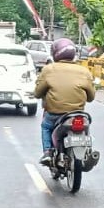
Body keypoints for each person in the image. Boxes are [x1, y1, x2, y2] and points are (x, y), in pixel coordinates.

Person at [33, 37, 95, 165]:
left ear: (55, 53)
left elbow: (38, 93)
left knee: (46, 127)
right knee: (86, 127)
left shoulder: (48, 69)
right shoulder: (84, 71)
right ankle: (88, 151)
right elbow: (91, 97)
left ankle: (48, 152)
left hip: (55, 114)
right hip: (78, 114)